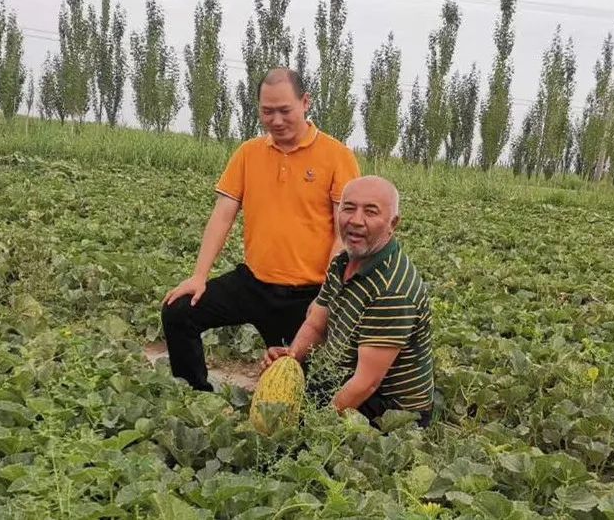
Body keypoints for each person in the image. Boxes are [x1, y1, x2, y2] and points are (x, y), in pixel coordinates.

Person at [161, 67, 361, 392]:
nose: (276, 120)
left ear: (305, 102)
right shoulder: (248, 153)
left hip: (306, 295)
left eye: (285, 110)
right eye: (267, 112)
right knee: (179, 311)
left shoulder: (337, 157)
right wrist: (199, 276)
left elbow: (344, 232)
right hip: (253, 284)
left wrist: (326, 296)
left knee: (307, 392)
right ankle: (196, 397)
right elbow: (222, 216)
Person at [262, 175, 434, 429]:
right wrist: (291, 357)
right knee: (275, 410)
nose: (356, 220)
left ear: (393, 223)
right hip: (344, 377)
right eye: (349, 208)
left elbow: (367, 383)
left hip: (389, 408)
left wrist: (313, 427)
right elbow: (316, 324)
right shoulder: (342, 261)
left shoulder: (392, 291)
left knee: (296, 443)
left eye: (371, 212)